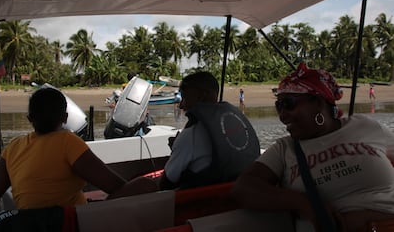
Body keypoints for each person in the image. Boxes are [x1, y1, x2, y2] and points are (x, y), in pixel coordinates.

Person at [233, 62, 394, 232]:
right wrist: (304, 202)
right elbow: (243, 188)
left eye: (288, 104)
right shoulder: (284, 149)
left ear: (317, 102)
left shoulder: (365, 126)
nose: (282, 115)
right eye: (278, 106)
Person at [0, 88, 157, 213]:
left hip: (29, 224)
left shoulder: (13, 147)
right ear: (65, 118)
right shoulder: (67, 141)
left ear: (29, 119)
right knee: (145, 184)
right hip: (68, 224)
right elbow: (115, 186)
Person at [159, 71, 261, 190]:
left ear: (201, 96)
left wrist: (177, 148)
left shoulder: (190, 134)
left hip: (206, 201)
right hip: (241, 193)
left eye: (185, 98)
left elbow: (167, 183)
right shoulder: (238, 120)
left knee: (143, 183)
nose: (181, 105)